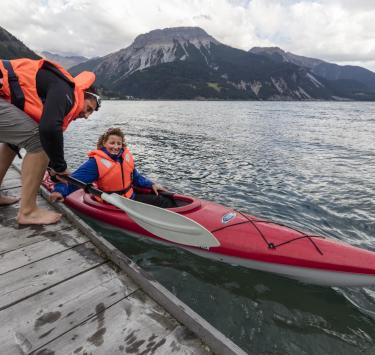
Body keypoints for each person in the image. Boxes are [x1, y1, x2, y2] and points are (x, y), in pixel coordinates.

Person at [0, 58, 100, 224]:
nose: (87, 116)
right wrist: (60, 167)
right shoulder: (68, 91)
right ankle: (28, 211)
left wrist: (53, 166)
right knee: (39, 140)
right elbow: (49, 130)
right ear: (84, 93)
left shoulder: (57, 89)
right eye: (89, 108)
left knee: (14, 142)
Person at [49, 127, 176, 208]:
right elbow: (73, 181)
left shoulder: (124, 157)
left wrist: (151, 184)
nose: (116, 146)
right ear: (104, 143)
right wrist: (59, 191)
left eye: (119, 143)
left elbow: (135, 177)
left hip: (130, 199)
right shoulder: (95, 163)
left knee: (164, 200)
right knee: (163, 203)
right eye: (112, 143)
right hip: (113, 204)